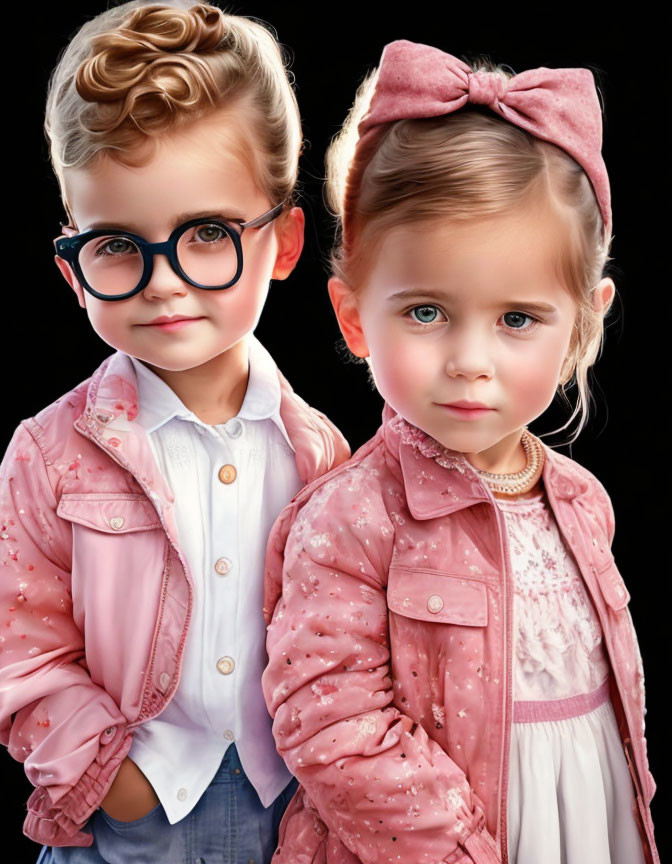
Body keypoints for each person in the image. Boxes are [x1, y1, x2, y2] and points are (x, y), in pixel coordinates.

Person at [261, 40, 660, 864]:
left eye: (517, 319)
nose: (470, 359)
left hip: (585, 818)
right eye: (428, 313)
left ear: (583, 322)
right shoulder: (351, 516)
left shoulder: (582, 502)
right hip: (437, 843)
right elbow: (327, 716)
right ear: (354, 317)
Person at [0, 1, 350, 861]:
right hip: (122, 827)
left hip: (291, 819)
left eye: (205, 234)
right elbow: (21, 650)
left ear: (283, 241)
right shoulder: (48, 457)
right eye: (118, 244)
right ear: (72, 269)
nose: (164, 284)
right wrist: (114, 784)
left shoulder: (325, 459)